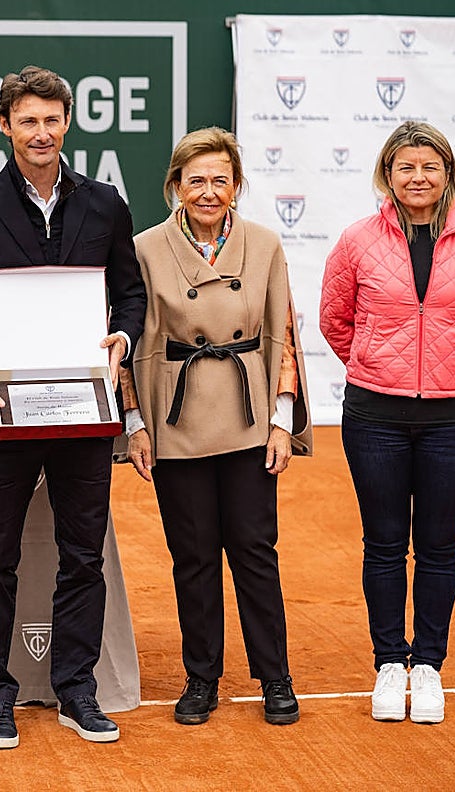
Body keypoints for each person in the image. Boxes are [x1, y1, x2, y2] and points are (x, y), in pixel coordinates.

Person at [0, 65, 146, 748]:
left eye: (52, 119)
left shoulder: (106, 205)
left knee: (83, 555)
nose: (42, 132)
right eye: (28, 120)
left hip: (86, 413)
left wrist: (125, 335)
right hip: (6, 418)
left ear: (68, 123)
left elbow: (132, 293)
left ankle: (75, 690)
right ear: (5, 125)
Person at [122, 126, 312, 726]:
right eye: (195, 180)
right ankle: (201, 678)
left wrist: (282, 422)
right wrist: (135, 423)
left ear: (237, 185)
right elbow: (129, 343)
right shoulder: (145, 248)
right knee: (193, 555)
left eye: (220, 180)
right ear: (175, 184)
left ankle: (274, 677)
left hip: (250, 418)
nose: (208, 192)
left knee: (256, 550)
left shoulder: (265, 244)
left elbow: (283, 336)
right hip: (175, 419)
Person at [320, 120, 455, 725]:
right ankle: (388, 664)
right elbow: (335, 317)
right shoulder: (356, 240)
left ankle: (427, 666)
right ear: (388, 175)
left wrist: (450, 370)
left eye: (430, 166)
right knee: (382, 544)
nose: (418, 177)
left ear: (447, 173)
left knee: (438, 547)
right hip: (375, 414)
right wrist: (378, 365)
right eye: (406, 167)